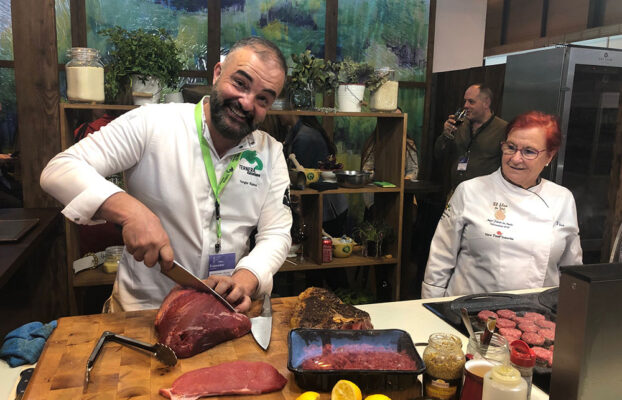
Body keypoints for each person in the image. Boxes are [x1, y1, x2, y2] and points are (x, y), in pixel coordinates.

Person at [40, 37, 292, 312]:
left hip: (222, 311)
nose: (246, 102)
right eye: (240, 83)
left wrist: (248, 277)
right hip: (140, 313)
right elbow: (59, 169)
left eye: (263, 99)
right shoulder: (153, 123)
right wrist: (129, 211)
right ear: (217, 73)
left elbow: (277, 233)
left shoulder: (270, 152)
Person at [422, 111, 583, 298]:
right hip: (470, 311)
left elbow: (571, 269)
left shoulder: (562, 198)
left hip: (536, 316)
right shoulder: (469, 191)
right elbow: (440, 257)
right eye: (511, 147)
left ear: (549, 157)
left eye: (528, 151)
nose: (515, 158)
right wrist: (431, 307)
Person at [280, 114, 348, 236]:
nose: (278, 113)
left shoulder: (305, 137)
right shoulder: (296, 132)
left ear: (292, 108)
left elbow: (300, 177)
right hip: (324, 203)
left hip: (327, 207)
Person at [434, 83, 507, 191]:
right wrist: (445, 134)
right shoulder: (460, 125)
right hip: (456, 191)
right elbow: (439, 154)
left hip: (484, 196)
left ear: (486, 103)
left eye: (471, 102)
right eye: (465, 101)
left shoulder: (503, 129)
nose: (466, 105)